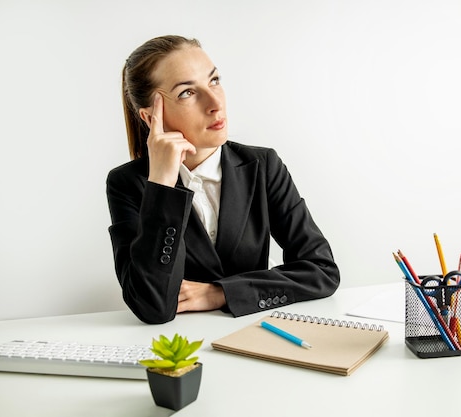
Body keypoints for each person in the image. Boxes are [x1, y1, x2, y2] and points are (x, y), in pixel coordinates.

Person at [106, 35, 340, 324]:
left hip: (257, 333)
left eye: (214, 80)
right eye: (187, 93)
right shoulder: (128, 184)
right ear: (150, 116)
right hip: (179, 348)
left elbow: (321, 270)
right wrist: (161, 186)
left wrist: (221, 293)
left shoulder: (262, 166)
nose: (215, 103)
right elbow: (152, 307)